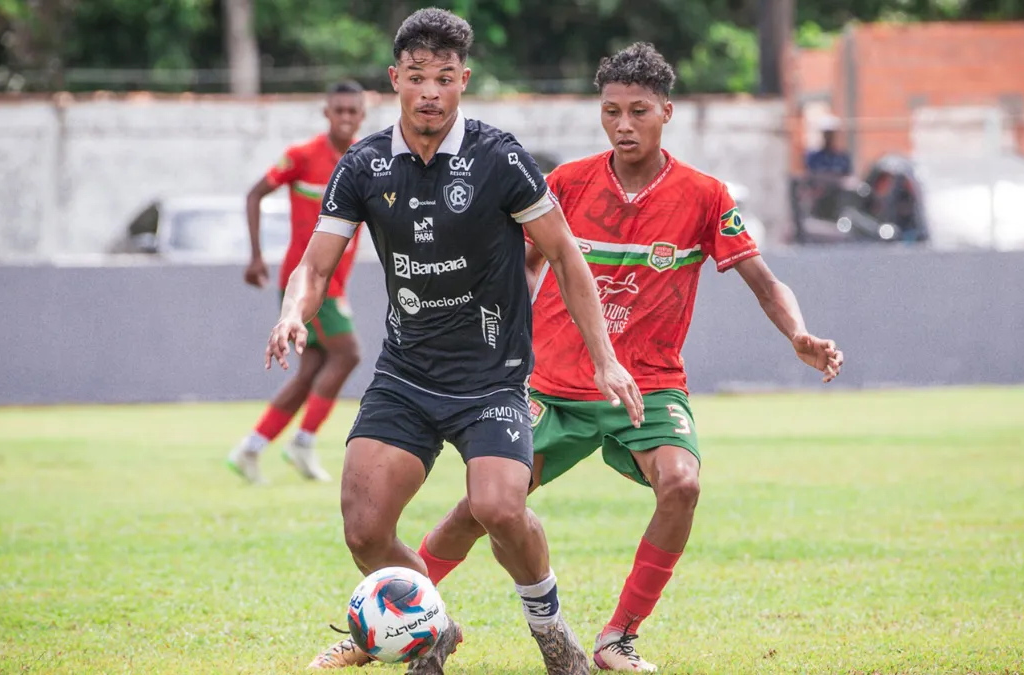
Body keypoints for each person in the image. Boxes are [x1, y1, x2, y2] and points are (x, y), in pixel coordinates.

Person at [404, 43, 844, 672]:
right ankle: (392, 615)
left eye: (638, 111)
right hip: (554, 386)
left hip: (648, 387)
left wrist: (798, 333)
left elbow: (765, 281)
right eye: (611, 111)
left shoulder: (704, 196)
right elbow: (524, 268)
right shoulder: (566, 184)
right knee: (477, 511)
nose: (623, 125)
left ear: (667, 110)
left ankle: (618, 637)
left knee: (682, 484)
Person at [270, 9, 643, 674]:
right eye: (418, 77)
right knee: (364, 528)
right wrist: (294, 310)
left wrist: (606, 358)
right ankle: (433, 628)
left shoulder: (498, 158)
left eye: (445, 77)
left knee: (500, 505)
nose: (431, 92)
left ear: (463, 81)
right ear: (396, 81)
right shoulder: (363, 164)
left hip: (492, 378)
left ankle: (553, 633)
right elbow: (316, 261)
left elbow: (565, 256)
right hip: (406, 376)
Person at [228, 81, 368, 484]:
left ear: (362, 115)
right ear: (326, 113)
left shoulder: (366, 159)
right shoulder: (302, 157)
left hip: (337, 280)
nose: (344, 117)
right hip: (308, 283)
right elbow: (256, 194)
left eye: (351, 111)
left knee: (312, 371)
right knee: (348, 354)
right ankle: (303, 441)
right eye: (337, 110)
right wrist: (255, 256)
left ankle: (251, 448)